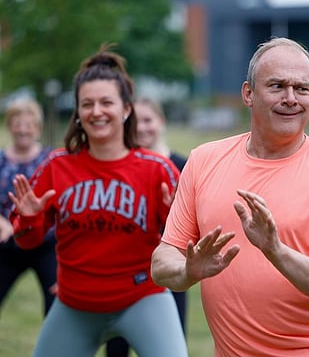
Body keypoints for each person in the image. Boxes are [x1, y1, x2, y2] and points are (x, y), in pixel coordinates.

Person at [151, 37, 309, 356]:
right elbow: (161, 263)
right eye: (277, 86)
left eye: (302, 88)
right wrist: (188, 270)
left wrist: (275, 250)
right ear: (248, 94)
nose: (290, 98)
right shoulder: (203, 161)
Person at [8, 44, 188, 357]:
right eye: (87, 104)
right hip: (75, 304)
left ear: (126, 109)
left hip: (142, 298)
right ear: (77, 112)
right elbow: (28, 241)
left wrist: (176, 215)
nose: (97, 111)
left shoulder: (156, 169)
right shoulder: (56, 166)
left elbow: (181, 241)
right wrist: (27, 219)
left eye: (107, 102)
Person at [105, 97, 189, 357]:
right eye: (135, 122)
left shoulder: (183, 166)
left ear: (161, 122)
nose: (141, 128)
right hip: (124, 270)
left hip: (169, 268)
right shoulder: (121, 167)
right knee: (117, 346)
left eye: (148, 120)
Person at [0, 98, 57, 318]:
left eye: (29, 124)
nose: (23, 129)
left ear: (38, 128)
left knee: (56, 303)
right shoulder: (2, 160)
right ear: (9, 126)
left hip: (45, 243)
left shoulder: (50, 159)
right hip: (7, 243)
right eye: (18, 123)